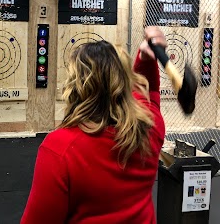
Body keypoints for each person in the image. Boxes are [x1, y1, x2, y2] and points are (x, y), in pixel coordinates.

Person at [21, 27, 167, 224]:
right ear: (125, 80)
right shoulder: (150, 127)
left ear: (76, 84)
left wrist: (145, 59)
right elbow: (149, 95)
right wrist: (147, 60)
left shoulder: (60, 149)